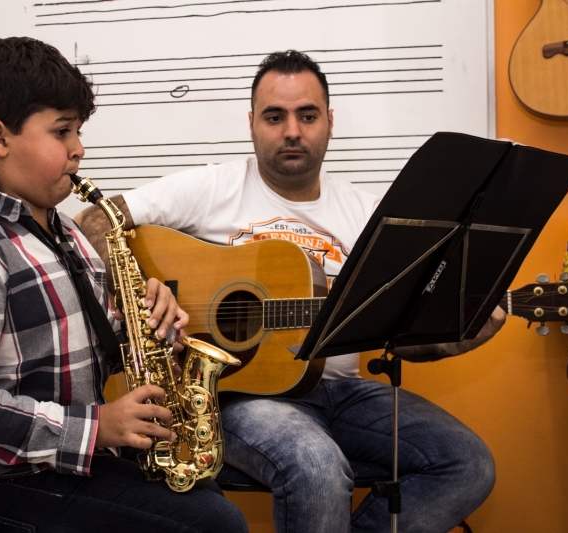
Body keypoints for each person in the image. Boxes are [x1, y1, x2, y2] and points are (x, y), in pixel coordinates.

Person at [75, 50, 504, 533]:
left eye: (307, 115)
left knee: (468, 463)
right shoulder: (214, 186)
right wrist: (144, 290)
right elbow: (93, 221)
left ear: (329, 121)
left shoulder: (369, 214)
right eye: (275, 117)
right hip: (231, 395)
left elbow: (404, 333)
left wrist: (459, 332)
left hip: (343, 393)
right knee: (316, 467)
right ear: (253, 123)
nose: (292, 131)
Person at [0, 37, 248, 533]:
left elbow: (109, 347)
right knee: (214, 525)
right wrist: (97, 427)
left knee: (207, 496)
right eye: (62, 131)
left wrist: (153, 328)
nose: (78, 149)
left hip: (64, 463)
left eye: (78, 131)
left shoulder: (67, 235)